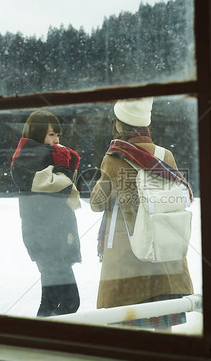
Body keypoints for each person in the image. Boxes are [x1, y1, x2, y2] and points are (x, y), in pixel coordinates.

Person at [90, 97, 194, 330]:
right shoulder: (165, 155)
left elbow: (98, 202)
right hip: (162, 248)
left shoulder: (114, 157)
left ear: (120, 124)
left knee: (130, 322)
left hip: (129, 254)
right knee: (162, 319)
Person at [11, 110, 82, 317]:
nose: (56, 140)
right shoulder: (27, 157)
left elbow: (65, 191)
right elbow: (59, 188)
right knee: (70, 301)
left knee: (51, 301)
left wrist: (65, 166)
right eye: (51, 134)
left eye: (57, 135)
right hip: (46, 239)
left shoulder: (46, 156)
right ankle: (46, 339)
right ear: (37, 133)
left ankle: (41, 339)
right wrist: (63, 167)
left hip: (54, 236)